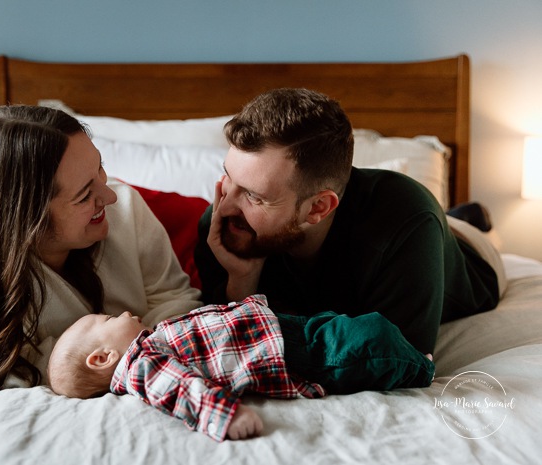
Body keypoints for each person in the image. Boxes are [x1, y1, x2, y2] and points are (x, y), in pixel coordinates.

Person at [0, 105, 201, 397]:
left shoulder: (126, 209)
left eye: (100, 168)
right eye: (84, 196)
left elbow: (175, 298)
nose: (108, 196)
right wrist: (74, 369)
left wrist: (140, 353)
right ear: (24, 217)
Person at [194, 88, 505, 356]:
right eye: (229, 177)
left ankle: (469, 220)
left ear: (318, 207)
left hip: (462, 254)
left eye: (254, 196)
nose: (226, 204)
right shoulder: (225, 227)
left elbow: (399, 355)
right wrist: (241, 281)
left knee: (470, 230)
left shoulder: (408, 223)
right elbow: (227, 341)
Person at [47, 294, 435, 442]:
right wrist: (223, 415)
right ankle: (419, 369)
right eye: (110, 318)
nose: (125, 313)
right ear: (102, 357)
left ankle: (412, 358)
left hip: (280, 330)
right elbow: (181, 389)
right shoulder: (140, 366)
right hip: (289, 355)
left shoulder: (148, 345)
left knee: (348, 326)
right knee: (370, 338)